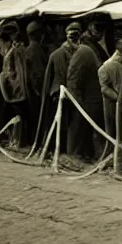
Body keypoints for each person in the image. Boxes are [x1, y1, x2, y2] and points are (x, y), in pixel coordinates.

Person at [66, 16, 109, 162]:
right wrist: (78, 103)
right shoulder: (84, 50)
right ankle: (76, 157)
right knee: (80, 130)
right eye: (98, 28)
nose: (101, 33)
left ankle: (84, 156)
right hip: (86, 101)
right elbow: (72, 80)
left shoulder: (92, 47)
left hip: (91, 100)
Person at [37, 22, 82, 154]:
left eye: (76, 35)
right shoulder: (57, 55)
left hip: (73, 95)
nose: (74, 38)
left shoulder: (80, 52)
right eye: (72, 35)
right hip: (60, 95)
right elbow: (49, 79)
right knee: (59, 124)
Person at [98, 38, 122, 170]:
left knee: (120, 133)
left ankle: (116, 159)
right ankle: (111, 160)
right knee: (113, 132)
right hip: (112, 105)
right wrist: (118, 97)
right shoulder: (109, 66)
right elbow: (103, 87)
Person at [0, 22, 29, 150]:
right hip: (16, 89)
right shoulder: (16, 50)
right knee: (17, 116)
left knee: (18, 116)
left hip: (15, 90)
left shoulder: (14, 51)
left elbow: (12, 73)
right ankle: (16, 141)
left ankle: (17, 141)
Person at [24, 21, 48, 147]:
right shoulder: (35, 49)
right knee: (38, 117)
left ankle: (35, 142)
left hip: (32, 91)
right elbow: (38, 74)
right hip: (36, 92)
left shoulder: (30, 49)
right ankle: (37, 144)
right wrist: (40, 91)